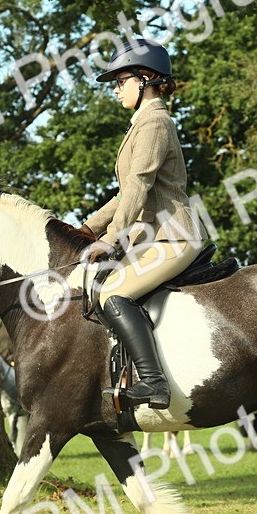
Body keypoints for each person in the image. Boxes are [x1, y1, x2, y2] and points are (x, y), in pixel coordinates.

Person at [82, 39, 205, 409]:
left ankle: (155, 384)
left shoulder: (153, 122)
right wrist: (85, 230)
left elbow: (138, 186)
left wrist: (112, 238)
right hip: (154, 236)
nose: (116, 90)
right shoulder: (142, 124)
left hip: (174, 237)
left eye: (121, 81)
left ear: (145, 78)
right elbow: (124, 196)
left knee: (111, 295)